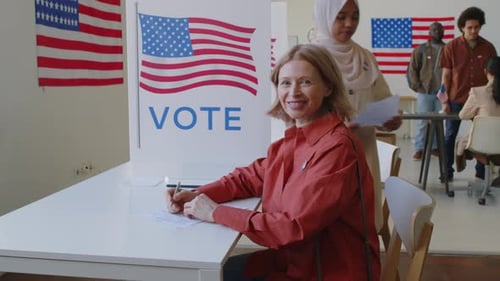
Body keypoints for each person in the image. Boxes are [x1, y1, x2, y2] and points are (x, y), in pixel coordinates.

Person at [166, 44, 381, 281]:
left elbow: (293, 227)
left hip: (326, 272)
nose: (293, 92)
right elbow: (249, 178)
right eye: (285, 83)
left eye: (306, 82)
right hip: (289, 261)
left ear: (328, 87)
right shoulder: (292, 140)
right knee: (202, 274)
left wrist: (216, 213)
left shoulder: (337, 148)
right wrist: (197, 194)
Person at [313, 0, 402, 232]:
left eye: (355, 16)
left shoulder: (364, 58)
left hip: (363, 155)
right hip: (323, 161)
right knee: (327, 229)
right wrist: (338, 130)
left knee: (361, 226)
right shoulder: (310, 59)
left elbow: (383, 99)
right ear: (326, 15)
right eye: (341, 16)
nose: (349, 23)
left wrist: (391, 117)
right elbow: (297, 115)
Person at [439, 6, 497, 181]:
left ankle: (481, 172)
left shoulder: (488, 48)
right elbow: (446, 76)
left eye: (476, 27)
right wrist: (444, 101)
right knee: (449, 135)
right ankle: (447, 171)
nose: (473, 31)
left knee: (483, 135)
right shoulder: (450, 47)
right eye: (469, 27)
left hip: (481, 100)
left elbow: (494, 74)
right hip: (456, 98)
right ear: (462, 27)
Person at [407, 22, 445, 161]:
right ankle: (419, 149)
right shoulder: (421, 50)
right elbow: (412, 69)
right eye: (434, 30)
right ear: (429, 32)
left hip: (442, 93)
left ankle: (435, 148)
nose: (437, 32)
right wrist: (418, 87)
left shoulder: (448, 49)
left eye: (440, 29)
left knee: (439, 122)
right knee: (422, 121)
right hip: (425, 92)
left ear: (443, 31)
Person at [455, 56, 500, 172]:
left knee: (464, 144)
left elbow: (463, 115)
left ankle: (488, 163)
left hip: (482, 142)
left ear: (486, 71)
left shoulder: (477, 92)